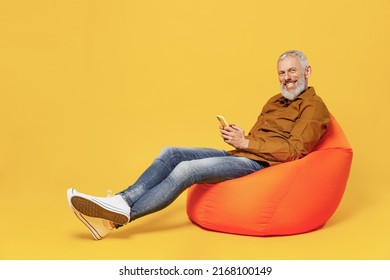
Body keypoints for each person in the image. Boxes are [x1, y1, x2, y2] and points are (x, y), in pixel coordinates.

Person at [67, 50, 330, 240]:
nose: (287, 78)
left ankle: (120, 214)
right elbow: (260, 137)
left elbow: (295, 151)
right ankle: (117, 205)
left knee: (186, 170)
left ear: (307, 71)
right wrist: (238, 136)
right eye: (282, 73)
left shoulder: (313, 107)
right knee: (171, 153)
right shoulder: (274, 100)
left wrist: (247, 141)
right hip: (243, 154)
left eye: (292, 71)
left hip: (262, 165)